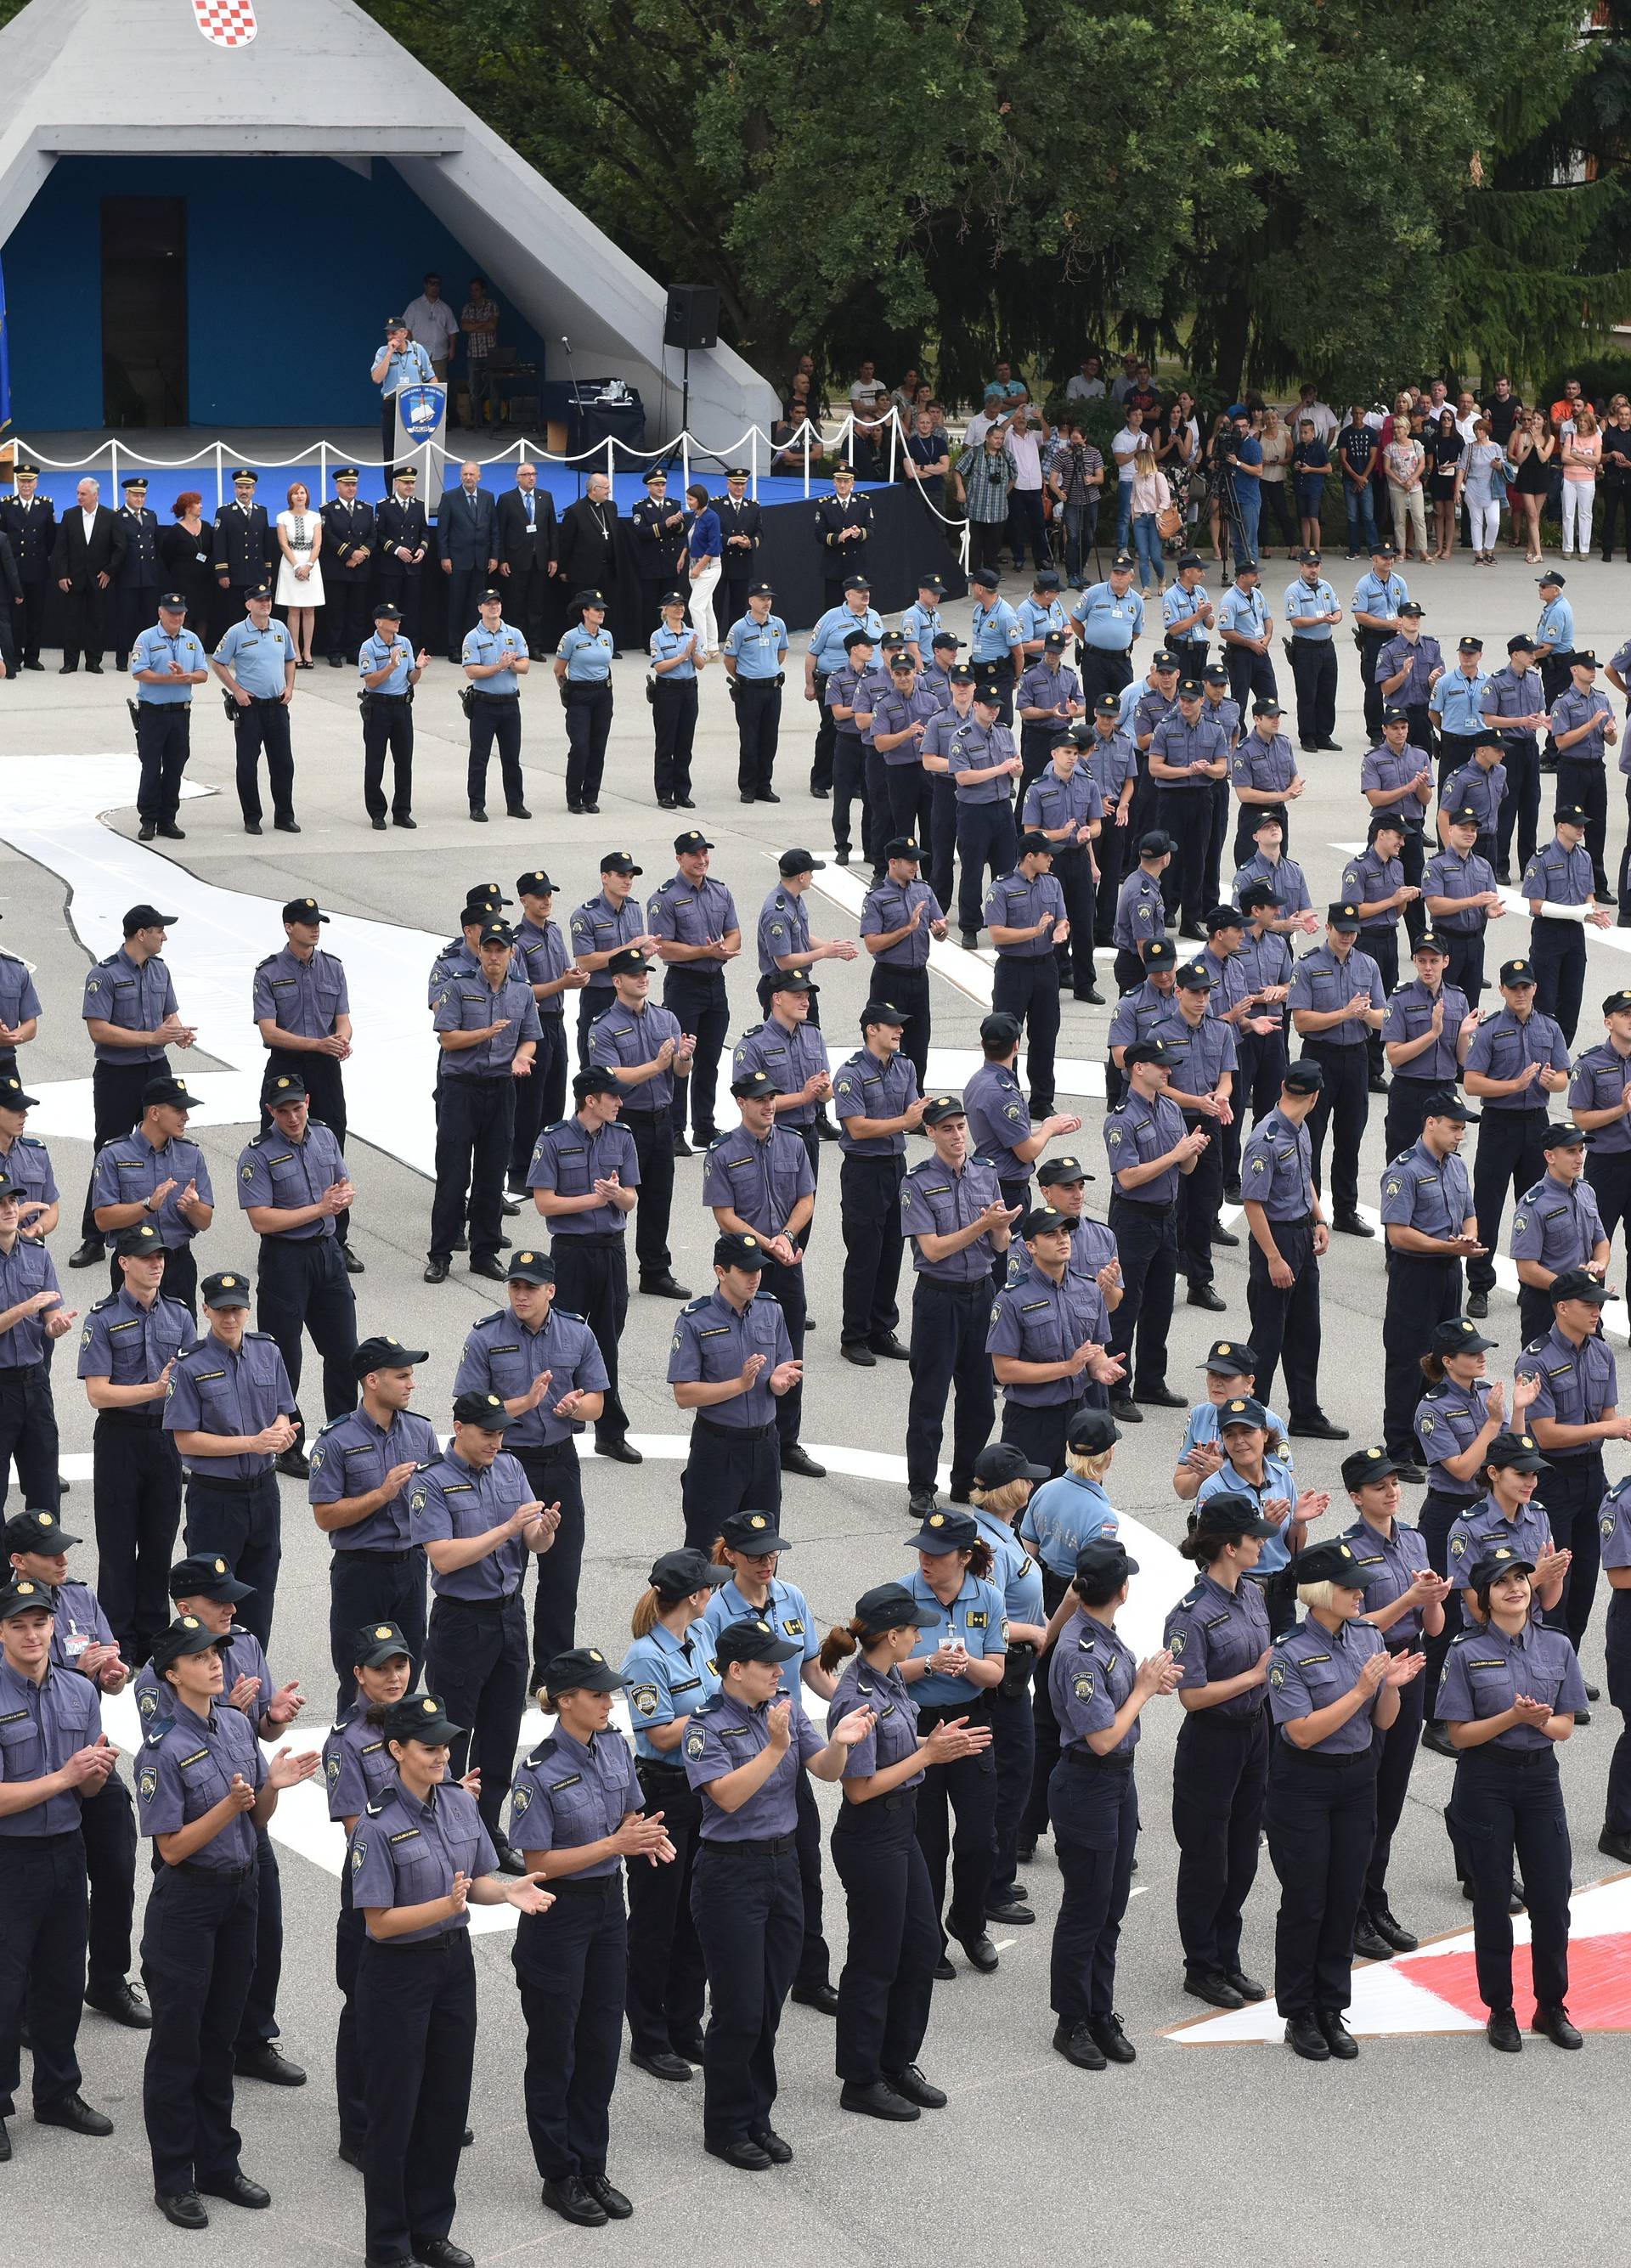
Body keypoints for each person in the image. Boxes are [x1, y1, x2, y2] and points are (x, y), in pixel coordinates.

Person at [349, 1690, 550, 2262]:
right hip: (397, 1974)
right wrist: (448, 1905)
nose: (443, 1755)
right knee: (395, 2114)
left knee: (445, 2104)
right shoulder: (377, 1826)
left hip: (451, 1966)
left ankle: (430, 2230)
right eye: (430, 1747)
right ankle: (388, 2246)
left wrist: (508, 1891)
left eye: (446, 1745)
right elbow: (380, 1923)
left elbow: (480, 1881)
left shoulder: (460, 1805)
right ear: (397, 1750)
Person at [137, 1611, 316, 2228]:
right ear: (172, 1673)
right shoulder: (162, 1750)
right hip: (188, 1904)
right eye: (200, 1655)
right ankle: (174, 2176)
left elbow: (255, 1821)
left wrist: (273, 1788)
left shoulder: (238, 1726)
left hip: (239, 1896)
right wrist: (230, 1808)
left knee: (220, 2036)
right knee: (179, 2043)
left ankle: (218, 2161)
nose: (216, 1661)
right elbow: (171, 1850)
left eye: (217, 1652)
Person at [682, 1614, 870, 2167]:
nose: (778, 1671)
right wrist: (771, 1747)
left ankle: (756, 2115)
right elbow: (726, 1798)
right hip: (729, 1875)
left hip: (781, 1868)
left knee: (767, 2004)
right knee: (738, 2007)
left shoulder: (781, 1708)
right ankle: (725, 2125)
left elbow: (826, 1770)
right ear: (735, 1669)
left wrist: (839, 1743)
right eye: (767, 1663)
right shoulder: (706, 1725)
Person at [819, 1583, 988, 2118]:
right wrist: (929, 1758)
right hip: (871, 1834)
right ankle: (861, 2076)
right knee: (876, 1957)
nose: (921, 1635)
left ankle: (897, 2060)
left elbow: (893, 1749)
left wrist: (932, 1746)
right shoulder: (857, 1697)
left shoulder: (889, 1677)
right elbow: (860, 1786)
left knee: (918, 1947)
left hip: (900, 1829)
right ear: (892, 1636)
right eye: (914, 1629)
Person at [508, 1646, 658, 2227]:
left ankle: (592, 2163)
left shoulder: (616, 1745)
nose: (608, 1701)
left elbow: (629, 1813)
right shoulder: (539, 1771)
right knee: (556, 2049)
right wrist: (613, 1846)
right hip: (558, 1912)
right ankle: (559, 2174)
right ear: (565, 1701)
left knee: (598, 2043)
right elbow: (537, 1861)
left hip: (605, 1909)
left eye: (609, 1693)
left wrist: (640, 1836)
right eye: (597, 1694)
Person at [1265, 1538, 1424, 2060]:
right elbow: (1303, 1733)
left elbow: (1382, 1721)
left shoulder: (1367, 1636)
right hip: (1304, 1783)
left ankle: (1332, 2006)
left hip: (1357, 1779)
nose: (1360, 1594)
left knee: (1344, 1896)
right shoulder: (1288, 1651)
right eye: (1348, 1586)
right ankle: (1299, 2012)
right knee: (1307, 1899)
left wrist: (1391, 1687)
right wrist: (1359, 1690)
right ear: (1318, 1592)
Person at [1440, 1550, 1586, 2050]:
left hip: (1541, 1780)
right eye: (1501, 1583)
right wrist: (1511, 1719)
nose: (1515, 1588)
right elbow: (1458, 1736)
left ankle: (1551, 2006)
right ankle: (1500, 2008)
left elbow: (1565, 1727)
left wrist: (1538, 1720)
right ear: (1484, 1598)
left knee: (1551, 1897)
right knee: (1493, 1897)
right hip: (1487, 1780)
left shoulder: (1557, 1646)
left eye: (1521, 1579)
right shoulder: (1463, 1651)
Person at [1047, 1536, 1177, 2068]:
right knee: (1087, 1908)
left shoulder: (1101, 1635)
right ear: (1122, 1590)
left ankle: (1100, 2010)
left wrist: (1148, 1682)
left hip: (1115, 1783)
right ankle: (1072, 2019)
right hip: (1090, 1781)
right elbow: (1100, 1736)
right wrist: (1143, 1689)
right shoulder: (1082, 1652)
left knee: (1111, 1906)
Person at [0, 1571, 115, 2164]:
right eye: (17, 1625)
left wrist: (92, 1776)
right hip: (10, 1858)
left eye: (39, 1623)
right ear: (1, 1632)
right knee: (4, 1985)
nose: (31, 1636)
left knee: (63, 1980)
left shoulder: (79, 1691)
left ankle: (58, 2092)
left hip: (67, 1852)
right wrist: (67, 1778)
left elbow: (88, 1791)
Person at [1337, 1445, 1448, 1961]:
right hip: (1372, 1667)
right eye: (1379, 1485)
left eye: (1395, 1483)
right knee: (1366, 1794)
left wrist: (1432, 1603)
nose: (1391, 1491)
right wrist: (1409, 1599)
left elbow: (1434, 1627)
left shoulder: (1416, 1540)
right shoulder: (1346, 1553)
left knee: (1393, 1793)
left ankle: (1374, 1899)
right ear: (1357, 1496)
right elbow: (1353, 1626)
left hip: (1413, 1664)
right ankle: (1353, 1909)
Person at [1164, 1493, 1275, 2007]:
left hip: (1255, 1734)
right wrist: (1254, 1676)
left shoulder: (1252, 1594)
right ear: (1230, 1547)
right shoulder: (1190, 1615)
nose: (1260, 1542)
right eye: (1253, 1537)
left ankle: (1227, 1958)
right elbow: (1192, 1695)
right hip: (1212, 1742)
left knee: (1243, 1855)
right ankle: (1202, 1966)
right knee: (1208, 1859)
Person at [620, 1548, 727, 2080]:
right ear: (693, 1597)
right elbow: (658, 1733)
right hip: (664, 1790)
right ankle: (649, 2033)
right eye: (709, 1586)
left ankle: (686, 2022)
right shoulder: (645, 1657)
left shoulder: (702, 1637)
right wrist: (719, 1710)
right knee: (657, 1918)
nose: (715, 1592)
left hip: (703, 1788)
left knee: (697, 1914)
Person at [76, 1221, 195, 1665]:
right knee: (118, 1544)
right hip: (120, 1438)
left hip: (164, 1442)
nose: (157, 1264)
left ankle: (151, 1637)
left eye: (161, 1257)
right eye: (147, 1257)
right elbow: (98, 1393)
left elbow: (188, 1384)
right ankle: (117, 1639)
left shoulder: (180, 1315)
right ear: (123, 1262)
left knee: (159, 1540)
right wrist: (154, 1389)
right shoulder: (103, 1318)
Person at [322, 1618, 416, 2167]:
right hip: (376, 1883)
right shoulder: (348, 1742)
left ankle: (415, 2111)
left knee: (418, 2005)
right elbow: (358, 1827)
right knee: (364, 2009)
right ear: (358, 1674)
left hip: (424, 1881)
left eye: (401, 1664)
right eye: (382, 1667)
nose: (394, 1675)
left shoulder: (420, 1725)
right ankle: (357, 2129)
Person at [163, 1271, 297, 1650]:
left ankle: (254, 1676)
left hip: (263, 1493)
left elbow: (283, 1410)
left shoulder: (267, 1351)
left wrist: (279, 1434)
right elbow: (184, 1438)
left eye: (237, 1309)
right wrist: (252, 1443)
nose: (229, 1318)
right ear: (205, 1309)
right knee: (210, 1599)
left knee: (260, 1593)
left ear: (248, 1309)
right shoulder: (190, 1364)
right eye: (221, 1310)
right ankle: (209, 1681)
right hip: (216, 1498)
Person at [703, 1071, 822, 1483]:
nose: (768, 1105)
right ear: (741, 1103)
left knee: (789, 1348)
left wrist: (786, 1237)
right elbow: (724, 1214)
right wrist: (765, 1244)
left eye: (771, 1097)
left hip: (786, 1260)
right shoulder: (721, 1151)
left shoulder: (793, 1143)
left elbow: (807, 1197)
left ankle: (786, 1440)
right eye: (759, 1099)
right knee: (740, 1348)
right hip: (744, 1263)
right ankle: (742, 1428)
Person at [237, 1072, 358, 1475]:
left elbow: (342, 1181)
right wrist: (321, 1209)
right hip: (285, 1260)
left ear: (308, 1101)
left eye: (298, 1108)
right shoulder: (257, 1154)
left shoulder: (324, 1136)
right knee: (284, 1357)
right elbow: (261, 1220)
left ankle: (345, 1437)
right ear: (270, 1111)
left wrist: (343, 1197)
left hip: (327, 1254)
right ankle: (289, 1445)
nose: (293, 1118)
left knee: (344, 1351)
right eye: (284, 1111)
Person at [899, 1096, 1012, 1515]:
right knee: (929, 1397)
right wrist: (983, 1224)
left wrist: (999, 1229)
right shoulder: (917, 1182)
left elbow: (999, 1244)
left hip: (982, 1294)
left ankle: (965, 1480)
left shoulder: (986, 1172)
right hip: (938, 1297)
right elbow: (934, 1248)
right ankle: (921, 1486)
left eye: (961, 1126)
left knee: (980, 1399)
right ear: (930, 1132)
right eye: (947, 1128)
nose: (957, 1135)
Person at [70, 906, 195, 1272]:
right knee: (108, 1148)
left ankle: (160, 1221)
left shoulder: (160, 970)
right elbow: (98, 1029)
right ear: (141, 934)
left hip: (156, 1068)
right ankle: (95, 1237)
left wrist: (179, 1032)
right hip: (117, 1073)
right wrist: (151, 1036)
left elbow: (169, 1014)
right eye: (159, 930)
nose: (164, 937)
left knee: (162, 1142)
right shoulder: (104, 974)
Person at [528, 1069, 643, 1464]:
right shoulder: (553, 1140)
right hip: (571, 1251)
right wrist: (592, 1202)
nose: (619, 1102)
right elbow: (545, 1203)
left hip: (611, 1250)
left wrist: (616, 1196)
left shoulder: (623, 1137)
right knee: (563, 1342)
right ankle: (564, 1419)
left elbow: (631, 1201)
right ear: (590, 1100)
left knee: (608, 1341)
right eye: (612, 1096)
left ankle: (610, 1432)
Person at [1515, 1269, 1625, 1662]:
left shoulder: (1602, 1352)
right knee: (1555, 1581)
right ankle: (1547, 1670)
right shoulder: (1536, 1360)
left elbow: (1608, 1417)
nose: (1596, 1312)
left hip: (1592, 1474)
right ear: (1563, 1308)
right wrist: (1609, 1427)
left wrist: (1612, 1428)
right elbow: (1545, 1435)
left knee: (1584, 1582)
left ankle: (1569, 1665)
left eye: (1598, 1305)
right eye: (1588, 1305)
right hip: (1552, 1478)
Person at [667, 1233, 799, 1548]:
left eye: (758, 1270)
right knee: (707, 1550)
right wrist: (739, 1385)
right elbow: (684, 1395)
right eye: (745, 1271)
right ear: (721, 1272)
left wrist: (777, 1384)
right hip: (718, 1450)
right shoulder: (695, 1321)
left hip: (765, 1446)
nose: (754, 1278)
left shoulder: (771, 1310)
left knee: (764, 1549)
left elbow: (780, 1370)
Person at [1239, 1059, 1346, 1439]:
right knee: (1269, 1334)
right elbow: (1253, 1203)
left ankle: (1305, 1411)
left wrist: (1319, 1219)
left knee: (1305, 1330)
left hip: (1301, 1234)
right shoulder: (1265, 1138)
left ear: (1285, 1086)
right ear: (1315, 1097)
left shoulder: (1300, 1129)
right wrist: (1273, 1258)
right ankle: (1253, 1416)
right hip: (1276, 1238)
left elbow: (1307, 1178)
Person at [1101, 1038, 1205, 1419]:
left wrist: (1191, 1151)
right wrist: (1176, 1154)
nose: (1168, 1070)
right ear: (1138, 1068)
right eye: (1160, 1065)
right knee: (1126, 1304)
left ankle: (1150, 1380)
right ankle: (1115, 1387)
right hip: (1133, 1218)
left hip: (1166, 1214)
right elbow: (1127, 1177)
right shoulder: (1122, 1117)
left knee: (1162, 1301)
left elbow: (1185, 1168)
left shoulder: (1171, 1109)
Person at [253, 900, 358, 1271]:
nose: (315, 929)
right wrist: (319, 1043)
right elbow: (269, 1030)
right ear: (288, 927)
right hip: (287, 1063)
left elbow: (343, 1019)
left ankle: (336, 1238)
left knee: (332, 1151)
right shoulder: (268, 972)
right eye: (308, 923)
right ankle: (279, 1234)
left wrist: (341, 1040)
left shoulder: (333, 967)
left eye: (319, 923)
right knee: (277, 1148)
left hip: (325, 1068)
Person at [1464, 956, 1572, 1317]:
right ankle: (1479, 1286)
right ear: (1503, 990)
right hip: (1499, 1124)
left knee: (1537, 1206)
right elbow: (1472, 1081)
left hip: (1537, 1126)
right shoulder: (1491, 1029)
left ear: (1535, 989)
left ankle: (1531, 1284)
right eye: (1514, 987)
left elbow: (1563, 1078)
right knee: (1488, 1207)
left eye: (1526, 986)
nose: (1520, 993)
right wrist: (1515, 1084)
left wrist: (1549, 1081)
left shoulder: (1549, 1028)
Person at [1380, 1091, 1483, 1466]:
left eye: (1463, 1130)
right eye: (1454, 1128)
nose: (1460, 1136)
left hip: (1448, 1270)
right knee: (1408, 1359)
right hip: (1415, 1273)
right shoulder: (1404, 1170)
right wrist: (1445, 1247)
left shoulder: (1456, 1166)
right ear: (1431, 1123)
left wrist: (1467, 1238)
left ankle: (1427, 1439)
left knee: (1442, 1359)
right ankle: (1399, 1446)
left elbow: (1469, 1211)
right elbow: (1398, 1234)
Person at [589, 945, 692, 1295]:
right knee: (616, 1195)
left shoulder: (666, 1018)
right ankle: (606, 1267)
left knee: (658, 1197)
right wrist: (656, 1066)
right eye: (635, 975)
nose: (643, 979)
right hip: (624, 1122)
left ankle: (654, 1270)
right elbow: (610, 1075)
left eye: (645, 973)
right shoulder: (604, 1027)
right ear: (617, 981)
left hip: (661, 1120)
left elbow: (677, 1071)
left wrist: (685, 1059)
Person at [833, 1000, 924, 1365]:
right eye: (892, 1025)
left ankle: (881, 1328)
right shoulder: (850, 1074)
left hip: (895, 1167)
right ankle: (854, 1335)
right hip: (863, 1170)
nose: (900, 1031)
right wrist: (904, 1121)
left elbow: (914, 1112)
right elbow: (856, 1126)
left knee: (891, 1251)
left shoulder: (905, 1066)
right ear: (872, 1029)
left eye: (900, 1025)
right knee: (864, 1254)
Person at [648, 830, 739, 1154]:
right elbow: (664, 949)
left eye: (705, 853)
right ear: (679, 858)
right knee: (680, 1057)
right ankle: (674, 1130)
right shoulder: (666, 897)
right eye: (694, 855)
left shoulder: (719, 891)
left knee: (709, 1060)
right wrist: (705, 953)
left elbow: (734, 932)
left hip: (716, 984)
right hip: (684, 985)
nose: (702, 860)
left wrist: (724, 950)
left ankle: (704, 1126)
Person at [0, 1169, 75, 1514]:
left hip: (34, 1382)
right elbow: (31, 1308)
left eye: (13, 1201)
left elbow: (48, 1318)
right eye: (0, 1204)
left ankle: (42, 1566)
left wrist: (54, 1327)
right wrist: (25, 1308)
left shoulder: (38, 1255)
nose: (10, 1209)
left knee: (45, 1486)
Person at [211, 583, 299, 838]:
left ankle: (285, 816)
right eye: (260, 600)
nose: (266, 604)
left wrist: (290, 687)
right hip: (250, 709)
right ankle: (252, 817)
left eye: (269, 599)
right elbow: (218, 663)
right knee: (248, 765)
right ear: (248, 604)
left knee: (283, 764)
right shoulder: (237, 632)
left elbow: (290, 659)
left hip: (278, 706)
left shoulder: (280, 629)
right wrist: (236, 689)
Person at [1511, 1125, 1609, 1345]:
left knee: (1593, 1371)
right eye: (1571, 1151)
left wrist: (1600, 1263)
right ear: (1550, 1156)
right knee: (1543, 1373)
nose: (1579, 1158)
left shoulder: (1586, 1191)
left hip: (1584, 1300)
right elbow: (1526, 1269)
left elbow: (1601, 1241)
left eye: (1581, 1150)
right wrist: (1569, 1286)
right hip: (1547, 1305)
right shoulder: (1533, 1205)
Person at [128, 591, 207, 843]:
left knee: (175, 767)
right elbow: (139, 672)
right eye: (172, 613)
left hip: (181, 714)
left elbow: (203, 674)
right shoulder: (147, 638)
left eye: (181, 613)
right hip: (154, 714)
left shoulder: (192, 639)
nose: (177, 617)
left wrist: (187, 678)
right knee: (151, 767)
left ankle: (168, 819)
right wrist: (167, 679)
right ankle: (148, 820)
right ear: (160, 612)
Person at [461, 585, 531, 824]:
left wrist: (510, 665)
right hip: (484, 705)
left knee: (512, 757)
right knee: (479, 757)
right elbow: (472, 671)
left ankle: (515, 803)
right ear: (480, 608)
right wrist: (498, 667)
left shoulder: (514, 634)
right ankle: (477, 805)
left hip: (510, 704)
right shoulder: (473, 637)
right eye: (489, 603)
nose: (494, 606)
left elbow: (525, 666)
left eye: (497, 602)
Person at [356, 601, 424, 831]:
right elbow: (370, 680)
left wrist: (419, 668)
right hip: (378, 707)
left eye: (398, 618)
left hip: (402, 707)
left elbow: (411, 678)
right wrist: (390, 666)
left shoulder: (404, 643)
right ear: (379, 623)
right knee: (375, 762)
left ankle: (402, 811)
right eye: (393, 619)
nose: (398, 621)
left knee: (404, 761)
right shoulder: (369, 647)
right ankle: (377, 812)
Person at [52, 476, 126, 672]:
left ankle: (94, 661)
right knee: (71, 622)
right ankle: (70, 662)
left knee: (97, 621)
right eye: (78, 493)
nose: (79, 497)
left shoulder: (110, 516)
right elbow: (61, 549)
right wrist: (62, 574)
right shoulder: (69, 515)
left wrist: (109, 571)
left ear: (95, 495)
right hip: (74, 579)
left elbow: (120, 547)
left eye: (83, 493)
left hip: (98, 580)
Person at [555, 589, 616, 816]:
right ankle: (574, 797)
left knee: (598, 747)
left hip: (602, 695)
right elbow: (559, 670)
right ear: (585, 612)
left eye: (602, 610)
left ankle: (591, 796)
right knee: (580, 746)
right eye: (596, 609)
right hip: (579, 696)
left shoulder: (607, 636)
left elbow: (606, 664)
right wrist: (567, 693)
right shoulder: (571, 637)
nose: (601, 613)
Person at [438, 462, 497, 665]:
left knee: (477, 607)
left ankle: (473, 646)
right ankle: (454, 647)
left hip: (480, 561)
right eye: (465, 474)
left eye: (472, 474)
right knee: (456, 605)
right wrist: (444, 556)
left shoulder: (488, 497)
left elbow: (494, 530)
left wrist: (494, 556)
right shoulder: (449, 497)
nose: (468, 477)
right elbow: (442, 531)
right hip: (458, 561)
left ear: (479, 476)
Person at [319, 467, 377, 668]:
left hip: (360, 568)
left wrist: (360, 554)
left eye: (354, 484)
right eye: (347, 484)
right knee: (336, 612)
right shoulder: (327, 510)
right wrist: (349, 553)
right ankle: (334, 651)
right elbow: (328, 536)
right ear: (338, 486)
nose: (351, 488)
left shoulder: (366, 509)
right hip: (337, 568)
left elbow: (372, 536)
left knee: (358, 613)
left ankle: (355, 650)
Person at [0, 464, 54, 670]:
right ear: (17, 482)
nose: (26, 485)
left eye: (30, 481)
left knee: (35, 616)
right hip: (13, 572)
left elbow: (50, 539)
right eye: (22, 481)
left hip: (37, 569)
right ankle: (14, 655)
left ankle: (32, 656)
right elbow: (2, 538)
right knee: (14, 617)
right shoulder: (6, 506)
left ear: (36, 483)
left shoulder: (46, 506)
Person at [374, 465, 432, 654]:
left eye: (412, 483)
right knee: (391, 608)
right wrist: (396, 549)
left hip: (413, 567)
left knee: (412, 609)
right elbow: (379, 534)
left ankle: (411, 647)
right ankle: (388, 645)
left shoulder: (418, 505)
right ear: (396, 483)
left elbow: (424, 531)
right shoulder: (384, 505)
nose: (410, 486)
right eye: (406, 482)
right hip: (392, 566)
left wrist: (422, 549)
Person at [370, 319, 436, 467]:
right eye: (388, 333)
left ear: (405, 333)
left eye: (394, 333)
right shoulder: (382, 352)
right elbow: (376, 378)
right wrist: (389, 353)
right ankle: (391, 490)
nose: (390, 337)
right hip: (392, 406)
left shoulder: (418, 350)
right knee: (391, 453)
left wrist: (435, 399)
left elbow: (431, 377)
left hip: (416, 407)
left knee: (416, 448)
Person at [273, 482, 324, 669]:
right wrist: (296, 566)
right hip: (290, 563)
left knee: (309, 609)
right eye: (296, 494)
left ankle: (307, 651)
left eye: (302, 493)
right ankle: (294, 650)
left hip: (311, 563)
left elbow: (317, 543)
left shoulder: (315, 517)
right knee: (293, 610)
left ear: (307, 496)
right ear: (290, 497)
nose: (299, 496)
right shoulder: (282, 517)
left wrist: (308, 565)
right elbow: (283, 544)